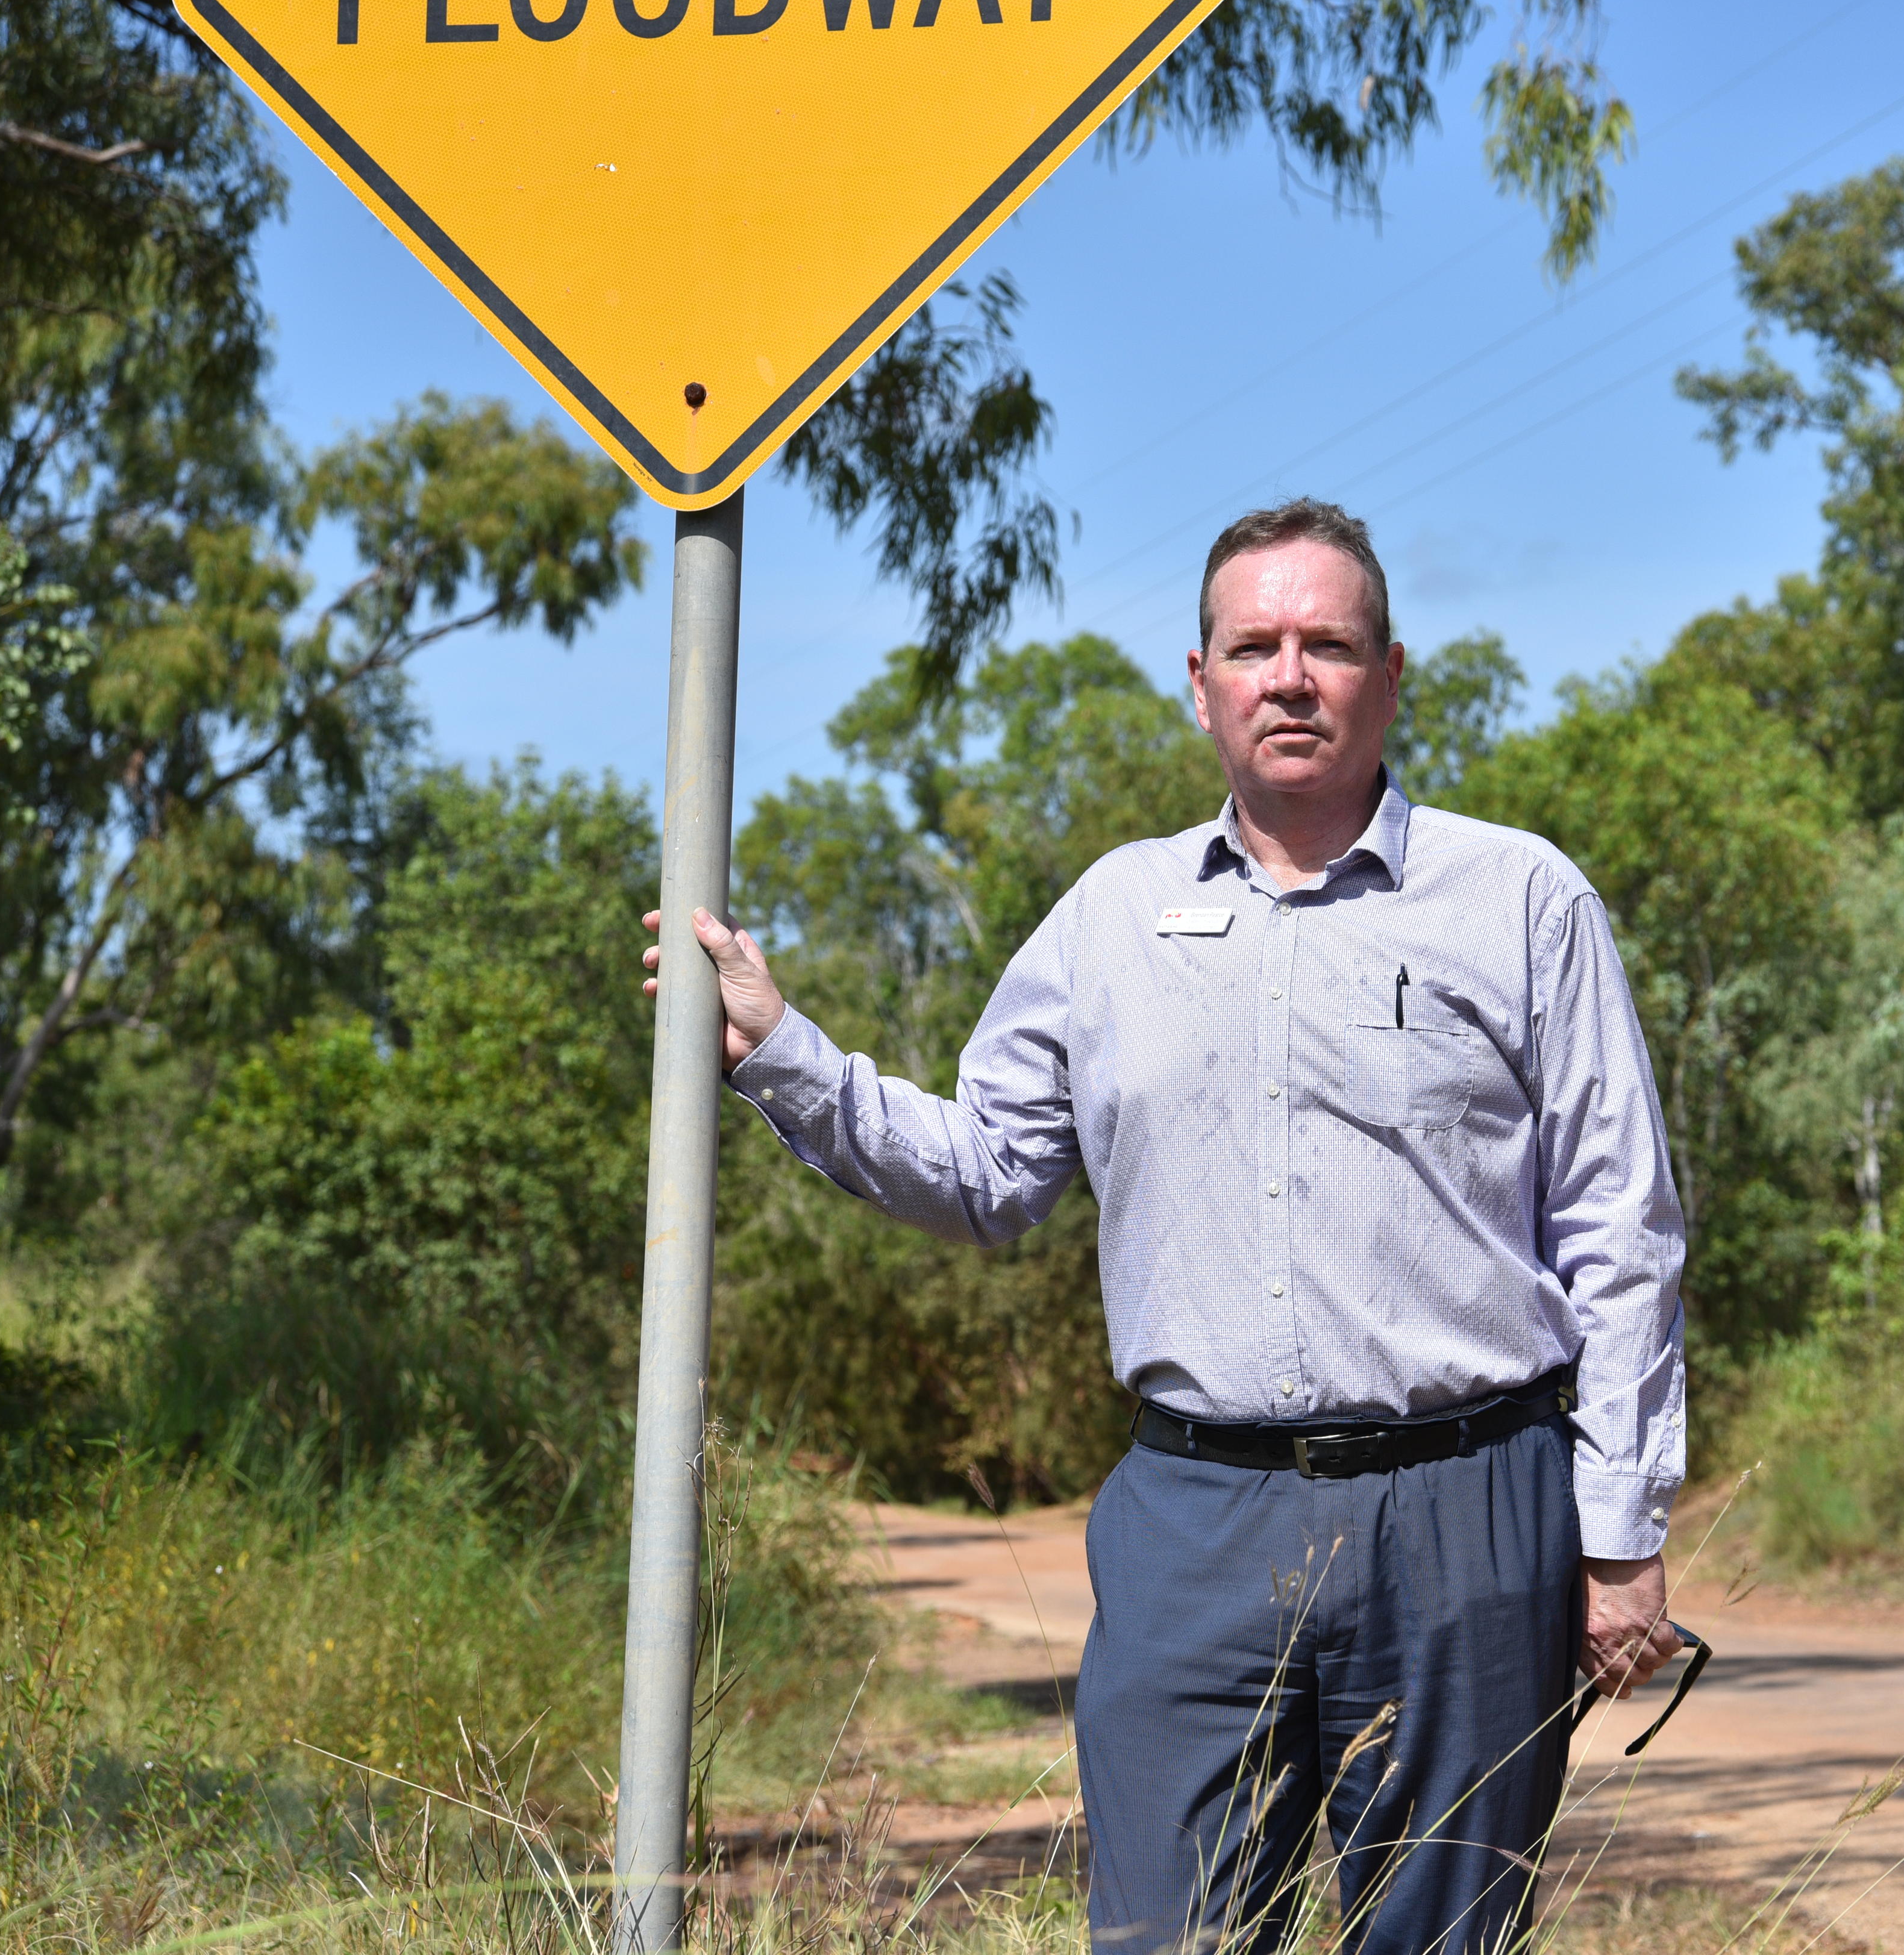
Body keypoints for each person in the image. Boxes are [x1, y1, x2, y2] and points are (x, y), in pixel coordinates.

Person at [642, 498, 1687, 1955]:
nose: (1291, 675)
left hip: (1468, 1513)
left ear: (1392, 674)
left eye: (1328, 643)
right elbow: (986, 1171)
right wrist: (784, 1052)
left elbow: (1619, 1230)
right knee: (1167, 1937)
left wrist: (1620, 1532)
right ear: (1199, 683)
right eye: (1254, 645)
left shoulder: (1518, 899)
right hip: (1192, 1522)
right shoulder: (1107, 919)